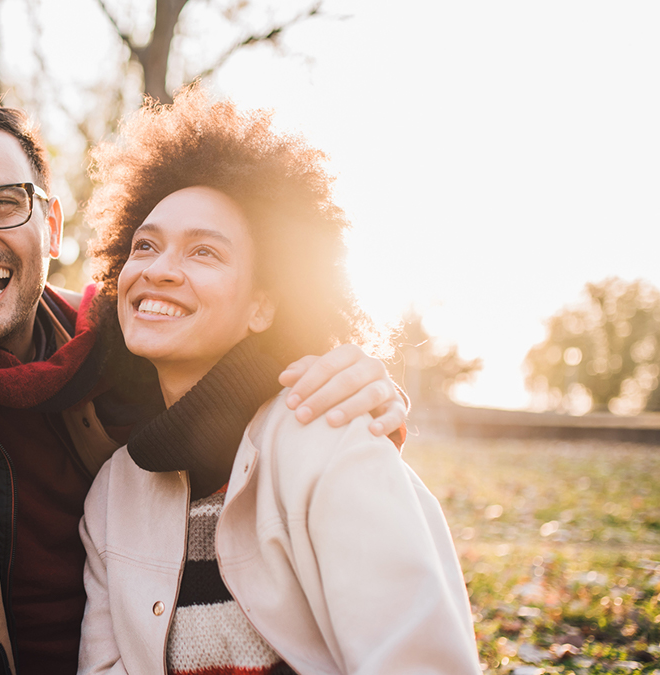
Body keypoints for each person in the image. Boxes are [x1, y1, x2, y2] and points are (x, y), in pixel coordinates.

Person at [0, 99, 409, 675]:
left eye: (3, 203)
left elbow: (247, 383)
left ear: (52, 223)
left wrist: (356, 386)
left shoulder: (124, 340)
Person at [77, 88, 479, 674]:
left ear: (261, 308)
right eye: (145, 246)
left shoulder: (333, 434)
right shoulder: (111, 496)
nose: (160, 270)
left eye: (204, 253)